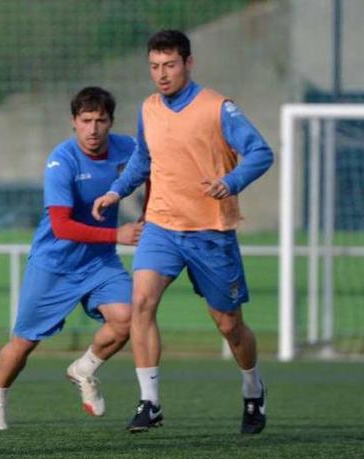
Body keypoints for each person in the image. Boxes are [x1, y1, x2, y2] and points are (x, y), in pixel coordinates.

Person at [92, 30, 274, 434]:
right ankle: (150, 402)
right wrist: (115, 191)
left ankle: (252, 388)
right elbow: (142, 158)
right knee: (141, 303)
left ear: (188, 63)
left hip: (211, 231)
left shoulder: (218, 108)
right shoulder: (149, 108)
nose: (162, 74)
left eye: (169, 65)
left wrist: (231, 181)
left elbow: (261, 152)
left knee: (229, 324)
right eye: (154, 66)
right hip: (161, 226)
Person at [0, 87, 143, 430]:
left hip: (100, 262)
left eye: (101, 120)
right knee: (23, 344)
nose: (93, 129)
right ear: (73, 122)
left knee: (128, 319)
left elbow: (157, 161)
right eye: (86, 121)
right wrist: (118, 234)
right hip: (55, 264)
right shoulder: (62, 161)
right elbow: (62, 226)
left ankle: (84, 367)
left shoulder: (127, 148)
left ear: (111, 122)